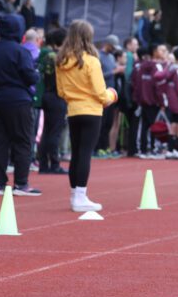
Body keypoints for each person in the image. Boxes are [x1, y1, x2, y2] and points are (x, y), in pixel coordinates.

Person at [55, 20, 117, 212]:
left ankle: (75, 195)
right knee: (84, 154)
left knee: (76, 153)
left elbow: (61, 91)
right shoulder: (91, 61)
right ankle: (80, 196)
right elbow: (100, 94)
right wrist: (112, 94)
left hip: (73, 110)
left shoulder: (61, 60)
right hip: (91, 111)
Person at [0, 14, 40, 197]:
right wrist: (36, 75)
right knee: (23, 141)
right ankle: (21, 183)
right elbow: (30, 76)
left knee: (0, 141)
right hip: (18, 100)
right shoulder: (21, 51)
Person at [36, 28, 68, 174]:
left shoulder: (47, 55)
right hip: (57, 96)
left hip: (47, 94)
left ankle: (43, 164)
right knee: (55, 131)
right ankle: (54, 163)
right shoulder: (60, 58)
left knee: (47, 131)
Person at [95, 35, 123, 157]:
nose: (114, 50)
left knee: (108, 122)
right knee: (101, 122)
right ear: (107, 44)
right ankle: (97, 148)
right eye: (113, 47)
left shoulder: (111, 57)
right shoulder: (99, 56)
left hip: (111, 94)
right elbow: (98, 75)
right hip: (102, 93)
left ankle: (105, 147)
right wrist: (113, 72)